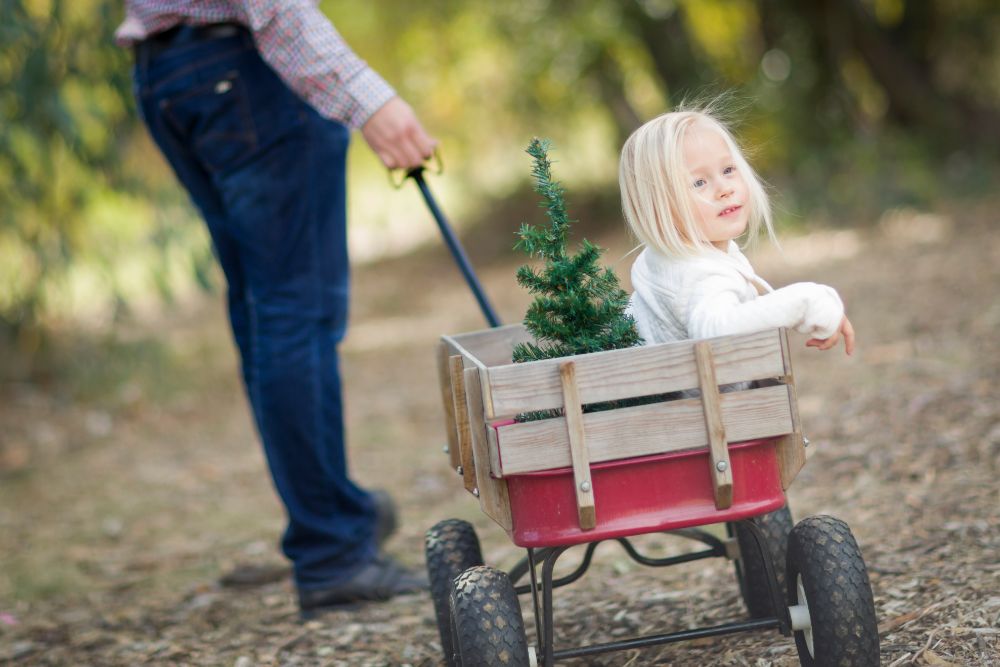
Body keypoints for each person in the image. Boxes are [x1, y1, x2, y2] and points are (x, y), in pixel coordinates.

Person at [116, 2, 437, 617]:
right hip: (245, 69)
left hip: (166, 71)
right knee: (294, 312)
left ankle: (336, 517)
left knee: (265, 313)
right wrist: (369, 100)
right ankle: (333, 552)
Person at [619, 107, 855, 354]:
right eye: (699, 182)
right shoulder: (698, 274)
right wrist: (806, 302)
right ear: (659, 209)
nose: (724, 188)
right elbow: (716, 331)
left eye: (728, 170)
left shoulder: (674, 262)